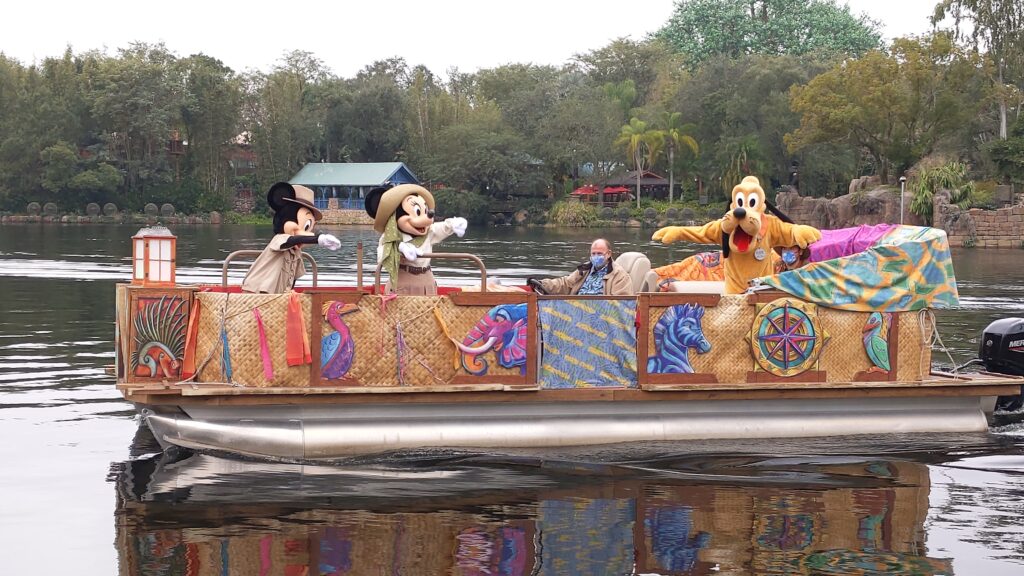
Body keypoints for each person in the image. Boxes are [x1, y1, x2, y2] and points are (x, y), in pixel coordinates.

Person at [242, 182, 341, 294]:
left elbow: (293, 276)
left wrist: (289, 291)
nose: (304, 232)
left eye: (308, 227)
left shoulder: (296, 252)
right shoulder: (280, 239)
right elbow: (294, 239)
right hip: (255, 292)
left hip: (277, 296)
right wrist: (318, 239)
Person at [528, 239, 634, 296]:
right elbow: (565, 283)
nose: (596, 256)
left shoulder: (619, 275)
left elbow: (622, 304)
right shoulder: (584, 269)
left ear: (609, 254)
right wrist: (543, 284)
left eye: (599, 253)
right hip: (576, 310)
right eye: (593, 254)